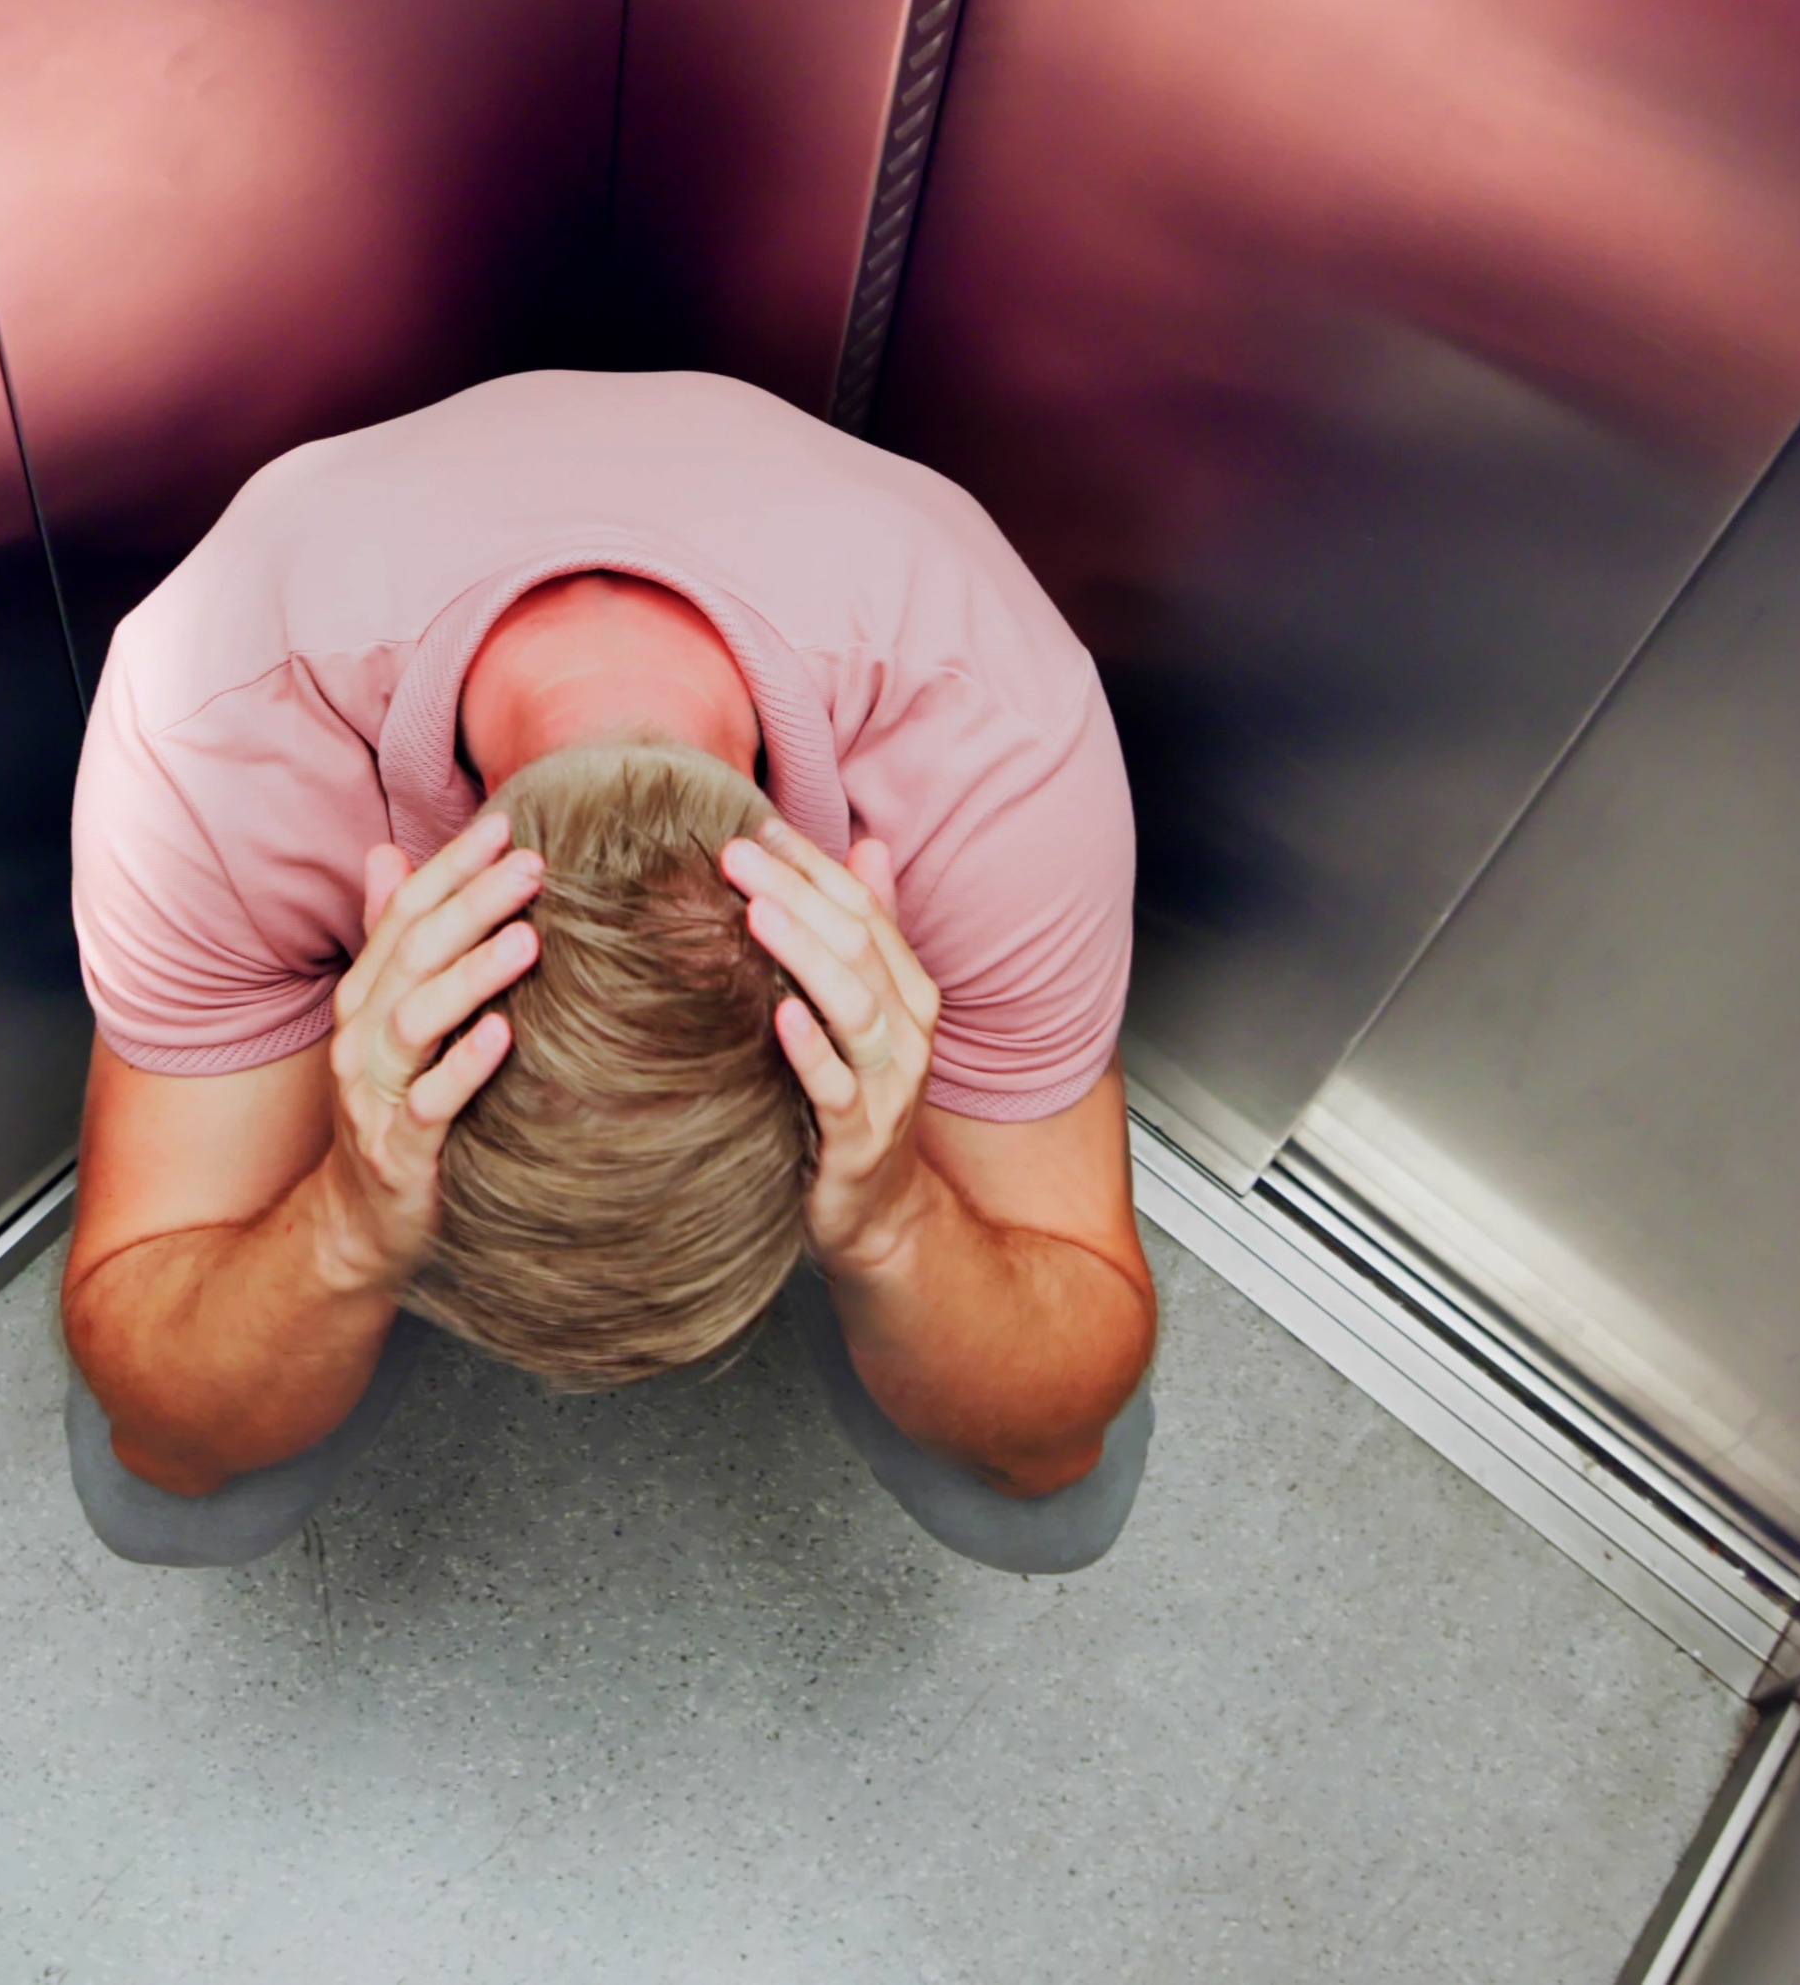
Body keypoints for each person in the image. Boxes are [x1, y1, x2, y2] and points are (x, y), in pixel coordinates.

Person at [58, 370, 1157, 1573]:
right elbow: (165, 1440)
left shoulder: (999, 752)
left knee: (1045, 1496)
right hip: (306, 698)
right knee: (170, 1491)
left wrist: (893, 1219)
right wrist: (347, 1223)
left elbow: (1051, 1446)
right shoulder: (208, 732)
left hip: (915, 678)